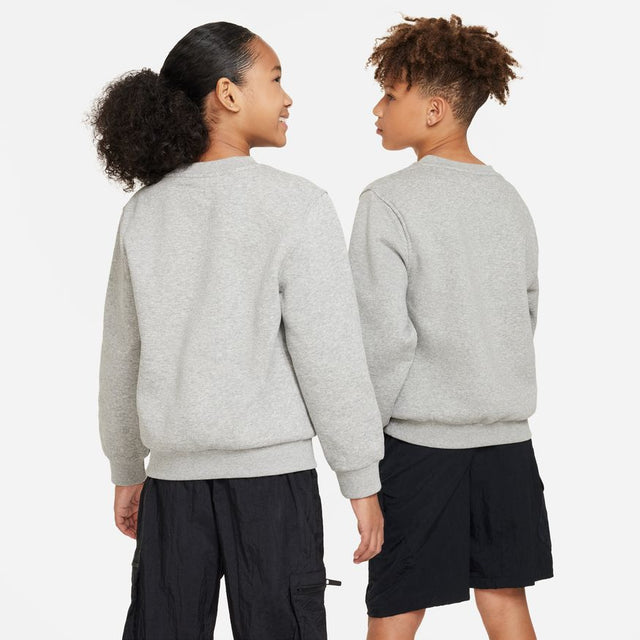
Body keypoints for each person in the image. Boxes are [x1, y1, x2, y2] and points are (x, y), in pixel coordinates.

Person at [91, 21, 384, 640]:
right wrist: (360, 480)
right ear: (228, 93)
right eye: (274, 80)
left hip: (172, 488)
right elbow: (330, 356)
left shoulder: (143, 212)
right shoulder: (298, 204)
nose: (287, 97)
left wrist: (127, 467)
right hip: (273, 487)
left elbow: (121, 354)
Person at [347, 14, 553, 640]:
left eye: (391, 95)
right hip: (507, 443)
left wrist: (360, 445)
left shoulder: (387, 201)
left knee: (396, 607)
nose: (377, 109)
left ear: (434, 109)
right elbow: (525, 311)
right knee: (505, 601)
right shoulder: (508, 198)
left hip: (419, 444)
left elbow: (381, 340)